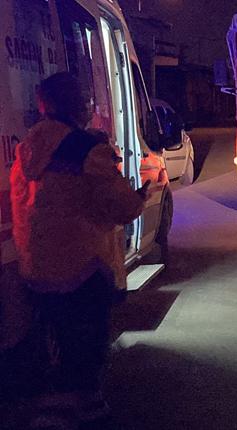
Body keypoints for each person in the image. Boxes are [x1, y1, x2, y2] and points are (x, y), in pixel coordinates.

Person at [10, 72, 148, 428]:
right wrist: (139, 197)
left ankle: (72, 409)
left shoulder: (26, 148)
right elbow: (122, 206)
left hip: (36, 268)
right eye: (84, 99)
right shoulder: (86, 149)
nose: (88, 105)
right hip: (82, 269)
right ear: (74, 104)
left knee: (59, 345)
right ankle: (81, 414)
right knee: (87, 349)